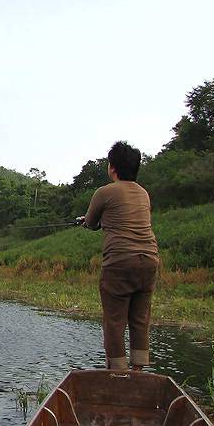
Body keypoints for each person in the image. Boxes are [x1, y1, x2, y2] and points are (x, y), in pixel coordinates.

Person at [77, 141, 159, 371]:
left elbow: (91, 223)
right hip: (149, 260)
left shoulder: (104, 192)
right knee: (140, 321)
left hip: (119, 263)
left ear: (112, 167)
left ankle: (118, 375)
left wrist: (86, 223)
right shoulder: (143, 194)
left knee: (114, 322)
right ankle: (139, 373)